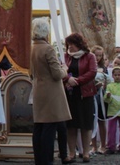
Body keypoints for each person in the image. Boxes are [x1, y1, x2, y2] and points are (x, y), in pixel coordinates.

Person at [30, 18, 71, 165]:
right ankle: (47, 160)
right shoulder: (48, 49)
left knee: (39, 126)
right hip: (51, 92)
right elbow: (56, 74)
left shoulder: (32, 48)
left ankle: (39, 159)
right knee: (50, 126)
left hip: (38, 89)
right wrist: (65, 70)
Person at [63, 33, 97, 163]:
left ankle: (86, 152)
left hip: (85, 94)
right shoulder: (65, 56)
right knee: (71, 125)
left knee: (86, 124)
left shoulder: (90, 56)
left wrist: (77, 81)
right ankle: (72, 152)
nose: (70, 47)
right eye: (68, 44)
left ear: (79, 44)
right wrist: (68, 79)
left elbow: (92, 72)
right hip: (69, 94)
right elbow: (60, 69)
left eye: (72, 44)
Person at [90, 45, 109, 155]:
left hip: (102, 94)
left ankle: (103, 145)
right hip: (92, 94)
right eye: (96, 55)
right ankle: (94, 146)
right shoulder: (89, 65)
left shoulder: (104, 67)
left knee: (102, 120)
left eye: (100, 55)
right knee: (92, 121)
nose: (97, 57)